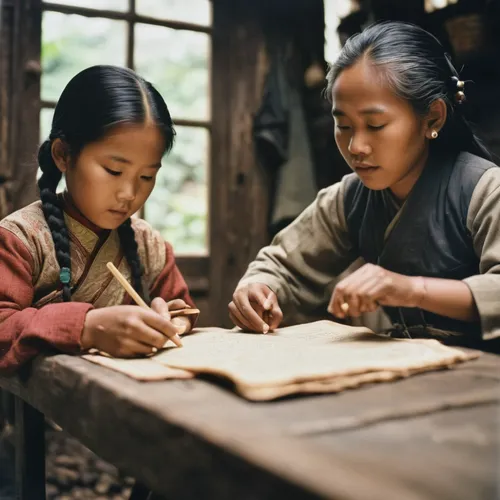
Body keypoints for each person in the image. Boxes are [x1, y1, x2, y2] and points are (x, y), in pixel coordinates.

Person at [229, 21, 500, 351]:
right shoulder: (348, 199)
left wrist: (409, 289)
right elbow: (281, 266)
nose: (356, 145)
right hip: (416, 370)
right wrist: (258, 289)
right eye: (343, 125)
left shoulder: (485, 191)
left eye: (375, 124)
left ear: (433, 118)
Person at [0, 65, 198, 373]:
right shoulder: (20, 240)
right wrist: (87, 326)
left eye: (146, 176)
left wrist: (172, 319)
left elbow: (182, 308)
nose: (129, 193)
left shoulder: (150, 246)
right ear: (63, 154)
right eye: (114, 171)